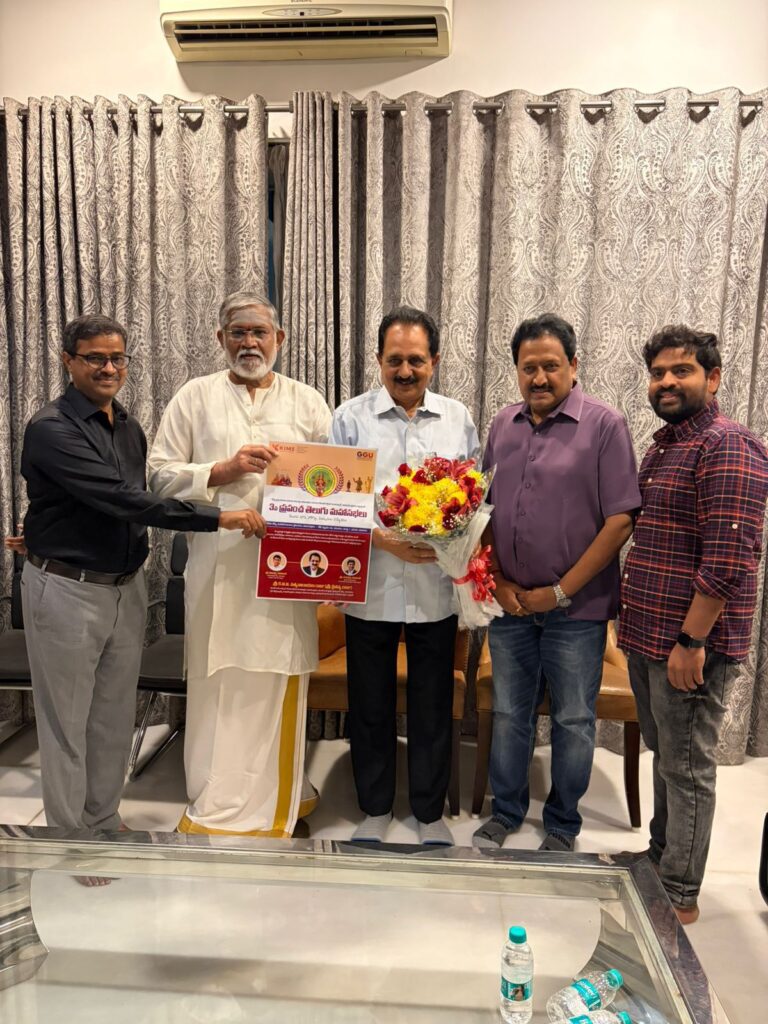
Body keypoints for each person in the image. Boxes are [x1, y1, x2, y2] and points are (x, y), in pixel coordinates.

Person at [7, 313, 263, 833]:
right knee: (66, 725)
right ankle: (69, 840)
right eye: (95, 358)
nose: (108, 368)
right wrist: (218, 517)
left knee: (112, 717)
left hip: (125, 588)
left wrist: (41, 526)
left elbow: (108, 499)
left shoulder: (125, 425)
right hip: (67, 589)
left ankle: (103, 819)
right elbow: (123, 499)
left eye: (117, 358)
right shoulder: (51, 428)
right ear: (68, 361)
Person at [148, 291, 332, 837]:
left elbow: (339, 486)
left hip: (289, 577)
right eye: (238, 332)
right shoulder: (194, 397)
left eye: (259, 332)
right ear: (220, 338)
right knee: (218, 683)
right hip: (217, 576)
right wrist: (221, 471)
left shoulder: (307, 402)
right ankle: (217, 797)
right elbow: (157, 477)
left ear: (280, 339)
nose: (249, 342)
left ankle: (277, 801)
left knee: (276, 676)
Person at [473, 313, 640, 853]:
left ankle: (563, 824)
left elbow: (621, 520)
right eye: (528, 368)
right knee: (509, 713)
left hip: (577, 609)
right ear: (517, 371)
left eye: (550, 366)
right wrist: (497, 580)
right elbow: (483, 510)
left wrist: (561, 590)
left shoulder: (605, 425)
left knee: (573, 719)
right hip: (512, 604)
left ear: (573, 365)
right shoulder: (503, 424)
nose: (539, 378)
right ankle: (505, 812)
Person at [618, 325, 768, 924]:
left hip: (690, 645)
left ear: (714, 377)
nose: (666, 382)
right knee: (667, 757)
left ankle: (679, 893)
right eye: (658, 373)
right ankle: (660, 859)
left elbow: (729, 560)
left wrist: (691, 640)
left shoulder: (728, 445)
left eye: (681, 370)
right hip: (651, 636)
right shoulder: (667, 446)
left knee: (686, 766)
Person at [330, 305, 480, 846]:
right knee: (369, 702)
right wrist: (381, 538)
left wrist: (450, 533)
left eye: (416, 359)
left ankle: (428, 812)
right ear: (378, 360)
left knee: (432, 704)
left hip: (434, 588)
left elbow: (474, 497)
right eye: (394, 359)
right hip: (369, 584)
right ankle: (374, 808)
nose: (405, 370)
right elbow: (333, 501)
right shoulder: (350, 419)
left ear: (433, 361)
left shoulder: (457, 418)